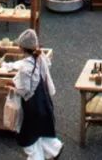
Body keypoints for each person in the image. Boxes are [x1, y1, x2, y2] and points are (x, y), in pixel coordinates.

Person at [11, 29, 63, 160]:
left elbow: (25, 91)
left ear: (22, 48)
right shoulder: (40, 58)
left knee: (28, 136)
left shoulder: (25, 68)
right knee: (40, 129)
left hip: (32, 106)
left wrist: (12, 88)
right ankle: (54, 149)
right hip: (43, 100)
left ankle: (39, 157)